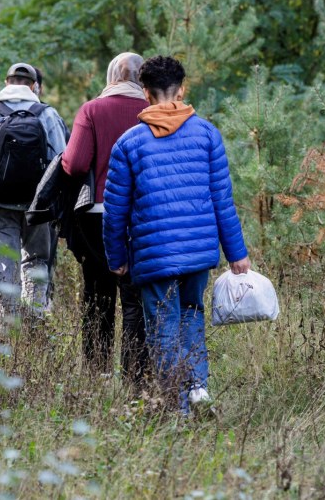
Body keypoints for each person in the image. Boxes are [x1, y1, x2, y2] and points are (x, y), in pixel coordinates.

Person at [103, 55, 251, 414]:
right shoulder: (207, 134)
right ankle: (198, 388)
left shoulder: (128, 143)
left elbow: (114, 211)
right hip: (198, 253)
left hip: (154, 256)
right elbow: (222, 200)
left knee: (163, 327)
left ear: (145, 93)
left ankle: (177, 405)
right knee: (191, 315)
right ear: (182, 89)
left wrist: (117, 259)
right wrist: (236, 253)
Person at [62, 53, 148, 378]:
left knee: (97, 293)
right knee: (135, 294)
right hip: (144, 216)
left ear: (112, 75)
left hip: (98, 213)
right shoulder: (153, 112)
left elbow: (76, 163)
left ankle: (97, 370)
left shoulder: (92, 110)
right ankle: (135, 372)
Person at [0, 63, 67, 315]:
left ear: (6, 83)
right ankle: (36, 317)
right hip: (38, 205)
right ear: (34, 86)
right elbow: (61, 161)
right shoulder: (48, 114)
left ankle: (9, 324)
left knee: (7, 265)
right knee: (37, 260)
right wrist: (59, 207)